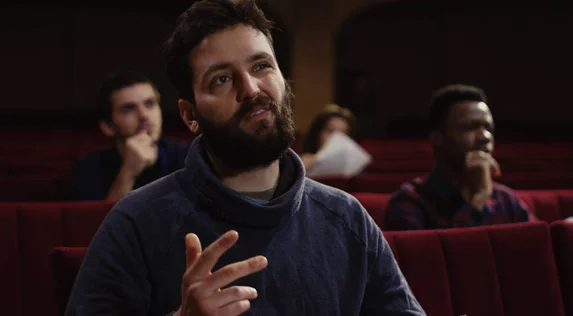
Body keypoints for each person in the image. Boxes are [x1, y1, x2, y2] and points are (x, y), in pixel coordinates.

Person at [66, 1, 424, 315]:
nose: (251, 89)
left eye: (261, 66)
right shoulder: (135, 222)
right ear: (190, 115)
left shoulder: (347, 218)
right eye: (221, 79)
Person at [385, 84, 537, 230]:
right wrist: (480, 198)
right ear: (437, 138)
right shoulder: (410, 201)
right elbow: (442, 254)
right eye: (469, 127)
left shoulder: (506, 199)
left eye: (489, 128)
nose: (485, 137)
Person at [70, 71, 192, 201]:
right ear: (108, 126)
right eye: (128, 109)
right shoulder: (89, 168)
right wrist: (128, 172)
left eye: (150, 104)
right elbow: (101, 221)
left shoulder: (189, 156)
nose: (144, 115)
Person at [300, 104, 356, 170]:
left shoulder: (355, 168)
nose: (337, 138)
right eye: (330, 131)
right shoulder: (299, 163)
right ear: (317, 133)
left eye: (343, 133)